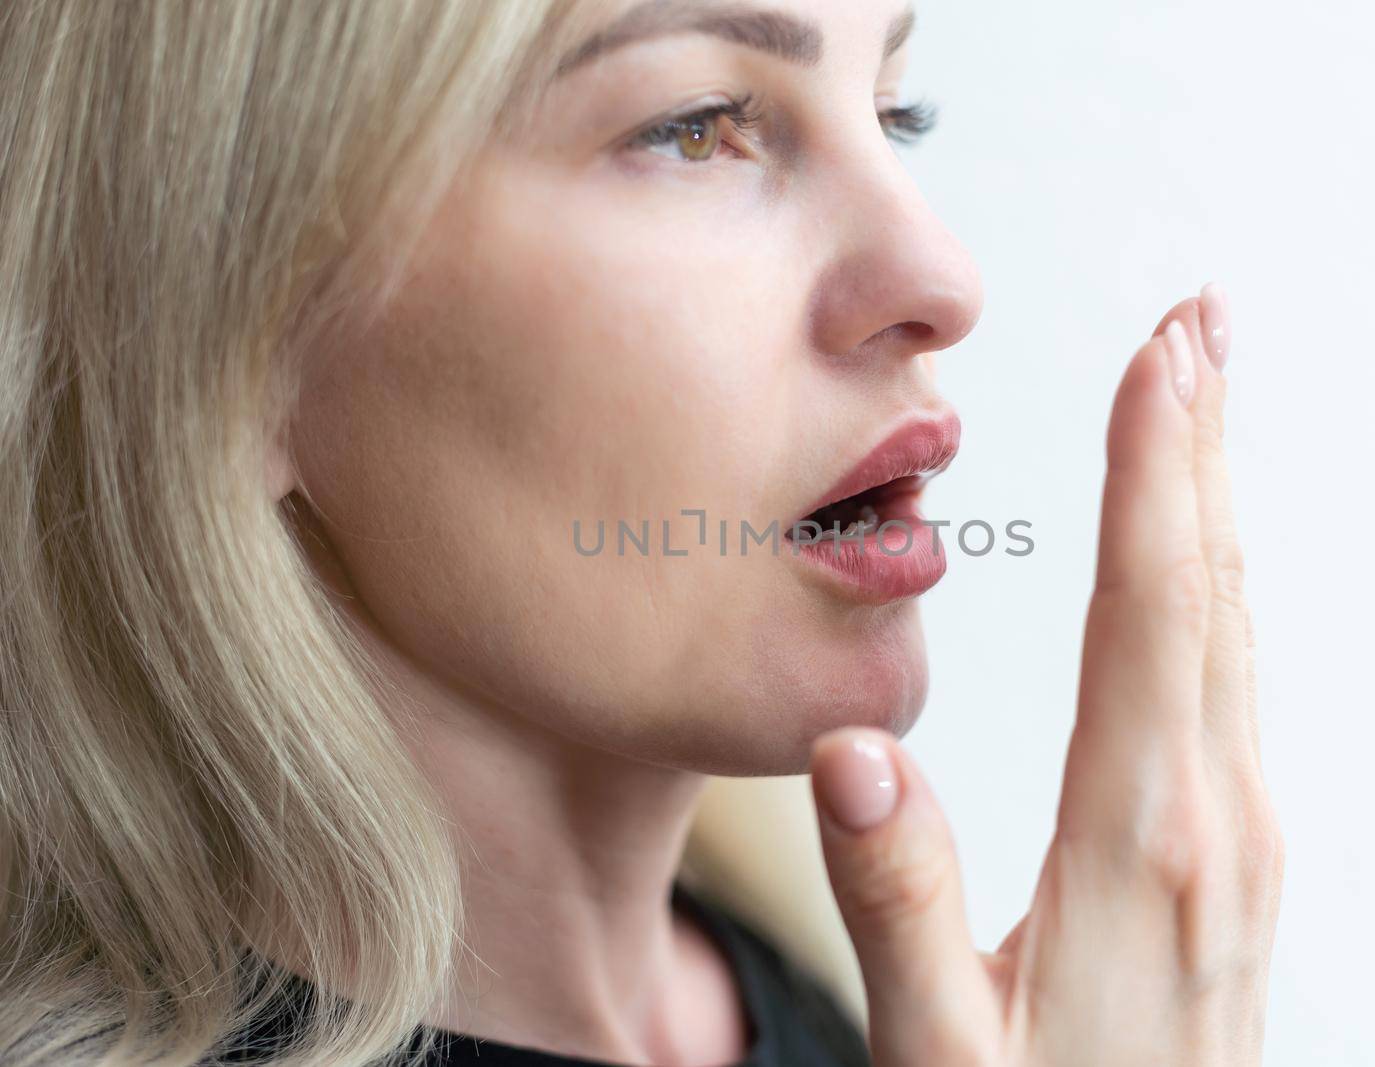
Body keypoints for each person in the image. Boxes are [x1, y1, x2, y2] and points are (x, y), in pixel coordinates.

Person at [0, 1, 1283, 1064]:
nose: (940, 276)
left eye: (897, 112)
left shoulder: (819, 1004)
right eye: (694, 129)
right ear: (235, 348)